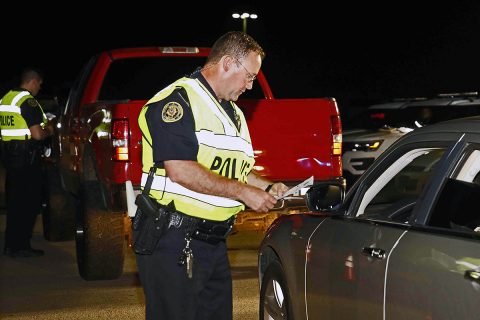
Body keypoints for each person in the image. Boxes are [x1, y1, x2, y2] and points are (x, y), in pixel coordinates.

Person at [136, 31, 289, 320]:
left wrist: (265, 186)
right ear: (228, 63)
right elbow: (180, 169)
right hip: (173, 239)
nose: (250, 85)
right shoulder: (178, 101)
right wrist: (244, 193)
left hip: (212, 243)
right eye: (249, 76)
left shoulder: (234, 112)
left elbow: (235, 168)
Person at [0, 68, 54, 258]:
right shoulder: (27, 101)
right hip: (27, 158)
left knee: (14, 203)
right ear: (32, 81)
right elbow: (37, 134)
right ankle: (21, 246)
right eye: (39, 84)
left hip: (10, 157)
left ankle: (11, 245)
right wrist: (50, 130)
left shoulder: (6, 98)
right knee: (28, 204)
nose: (39, 87)